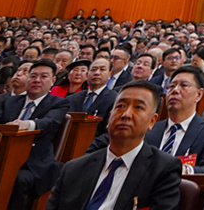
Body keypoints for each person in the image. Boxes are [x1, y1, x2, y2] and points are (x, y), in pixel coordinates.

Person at [49, 81, 182, 210]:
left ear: (152, 121)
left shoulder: (163, 169)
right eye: (121, 106)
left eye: (138, 107)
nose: (126, 114)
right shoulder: (74, 169)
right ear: (109, 116)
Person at [0, 58, 68, 210]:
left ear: (53, 81)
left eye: (43, 76)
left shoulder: (58, 103)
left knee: (17, 179)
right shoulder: (11, 101)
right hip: (4, 156)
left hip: (34, 163)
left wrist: (28, 124)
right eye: (33, 76)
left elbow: (50, 122)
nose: (37, 80)